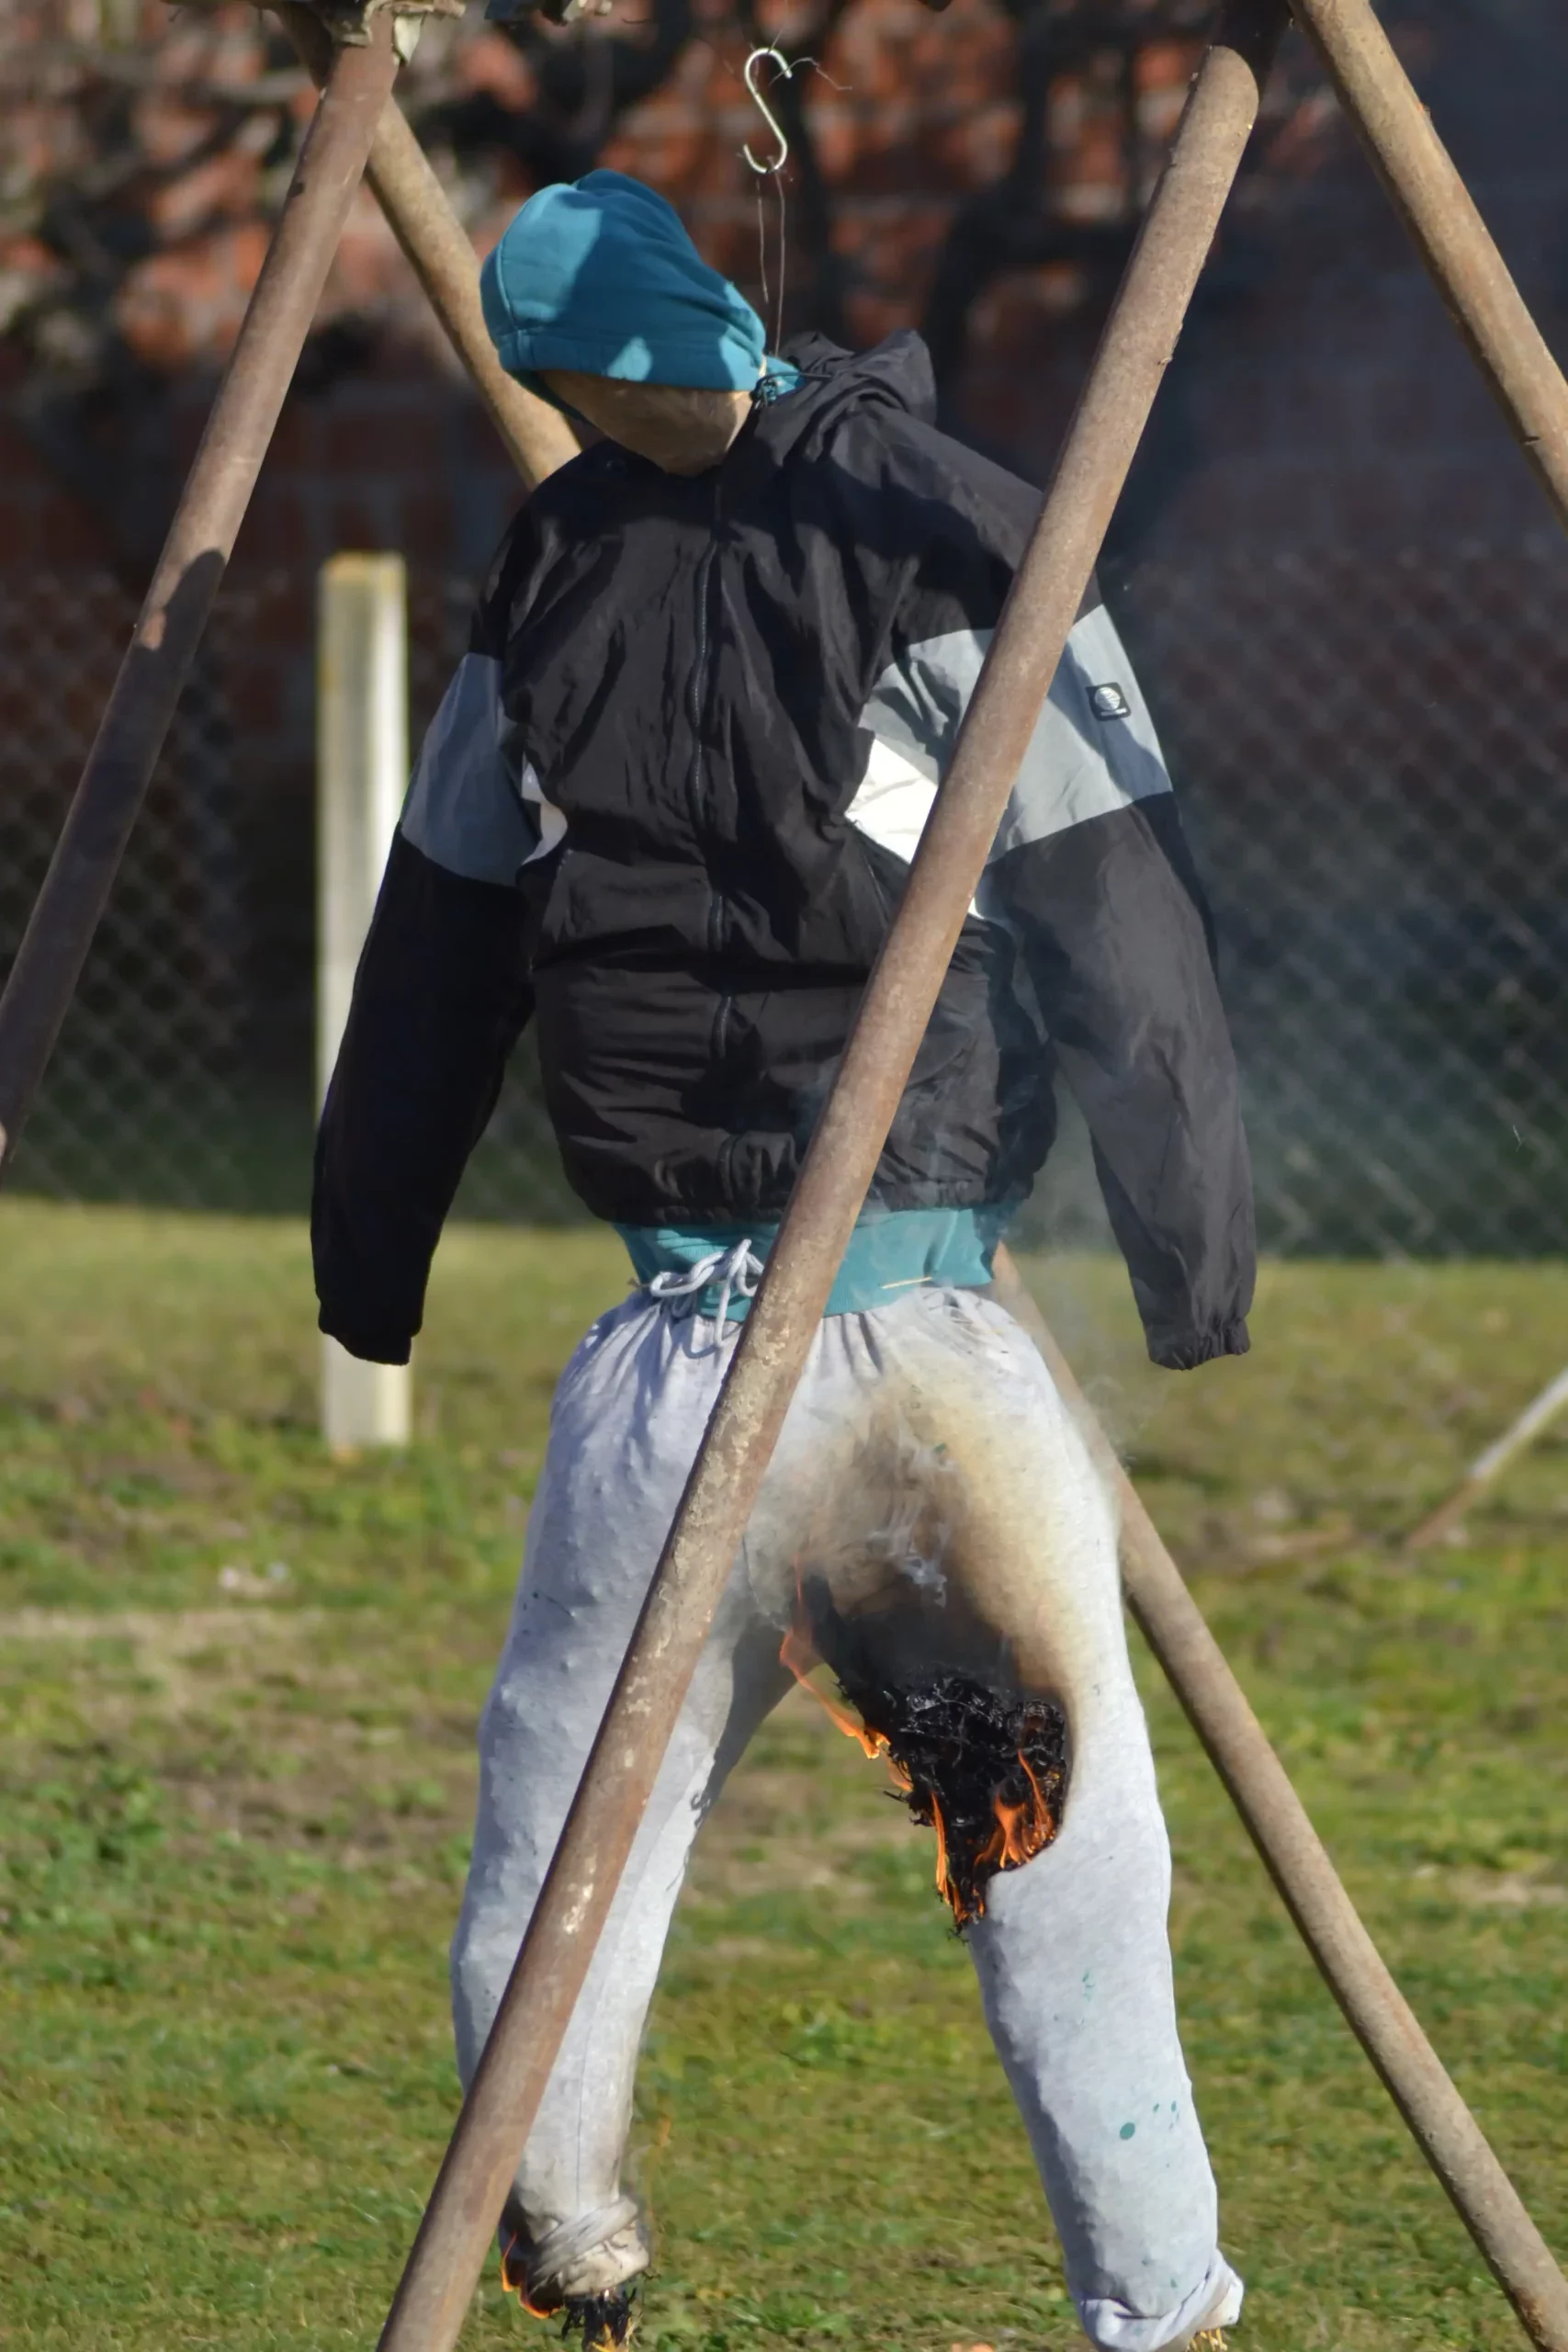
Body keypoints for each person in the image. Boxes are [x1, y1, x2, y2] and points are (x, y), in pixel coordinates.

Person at [312, 169, 1255, 2352]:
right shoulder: (909, 557)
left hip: (728, 1361)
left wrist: (376, 1253)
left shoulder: (615, 579)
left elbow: (436, 955)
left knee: (608, 1843)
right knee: (1010, 1863)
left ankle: (584, 2235)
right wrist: (1186, 1237)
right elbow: (1121, 904)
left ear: (593, 369)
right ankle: (1128, 2297)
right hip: (906, 1367)